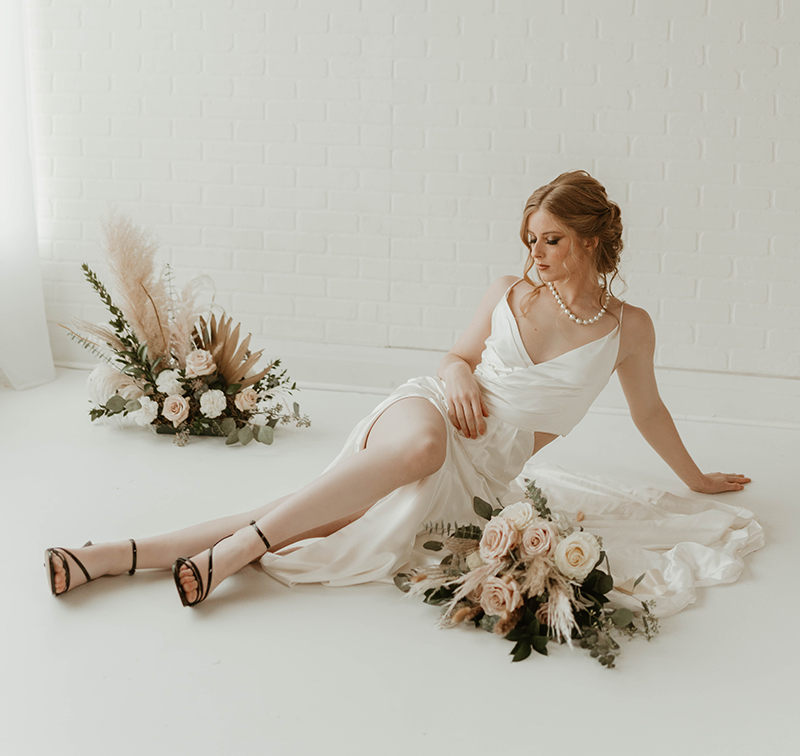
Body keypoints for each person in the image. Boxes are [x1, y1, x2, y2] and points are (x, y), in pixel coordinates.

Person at [45, 170, 751, 605]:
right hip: (429, 411)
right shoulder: (508, 290)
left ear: (593, 240)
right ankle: (234, 553)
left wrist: (697, 476)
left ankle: (109, 555)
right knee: (415, 450)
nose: (533, 253)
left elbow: (649, 409)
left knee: (321, 519)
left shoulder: (628, 329)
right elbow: (456, 358)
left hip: (483, 464)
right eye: (530, 237)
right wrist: (455, 377)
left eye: (552, 239)